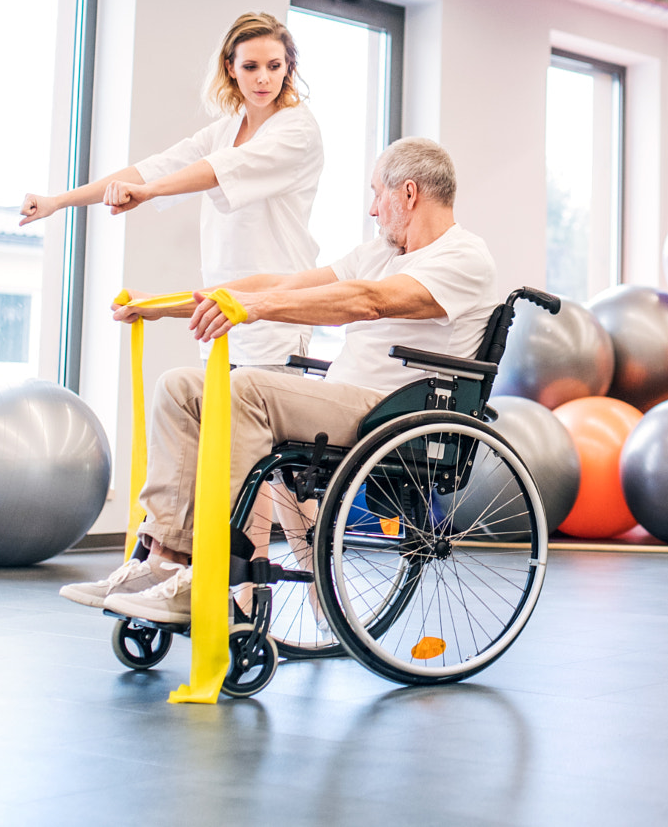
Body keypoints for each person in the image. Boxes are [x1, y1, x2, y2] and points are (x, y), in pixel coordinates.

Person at [61, 138, 498, 625]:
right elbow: (280, 284)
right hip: (349, 403)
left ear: (409, 194)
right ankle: (163, 558)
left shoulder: (465, 258)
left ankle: (216, 571)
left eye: (377, 194)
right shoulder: (381, 252)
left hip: (394, 413)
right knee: (181, 387)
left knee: (247, 386)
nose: (373, 210)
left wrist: (255, 311)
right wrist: (166, 303)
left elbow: (368, 301)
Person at [20, 10, 323, 373]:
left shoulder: (296, 130)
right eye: (250, 66)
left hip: (274, 323)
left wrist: (146, 192)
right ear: (230, 68)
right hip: (219, 316)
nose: (263, 78)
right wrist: (58, 201)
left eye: (274, 66)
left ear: (289, 67)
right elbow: (155, 167)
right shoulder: (226, 129)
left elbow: (217, 170)